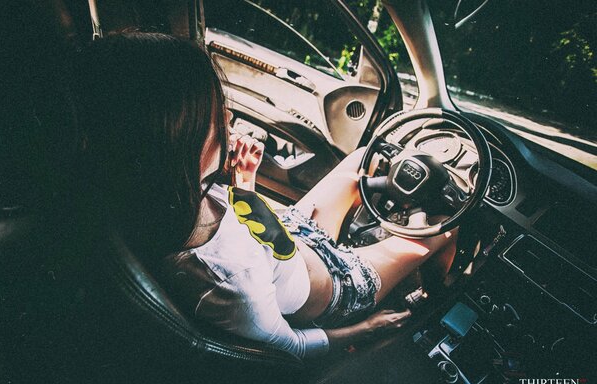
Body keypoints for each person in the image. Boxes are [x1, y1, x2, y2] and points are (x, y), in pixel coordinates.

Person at [74, 33, 456, 359]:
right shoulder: (231, 284)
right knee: (444, 231)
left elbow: (244, 232)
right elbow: (292, 347)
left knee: (361, 162)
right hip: (338, 284)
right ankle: (438, 304)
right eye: (215, 113)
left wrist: (244, 185)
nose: (227, 120)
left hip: (289, 236)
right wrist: (368, 329)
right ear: (178, 147)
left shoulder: (167, 199)